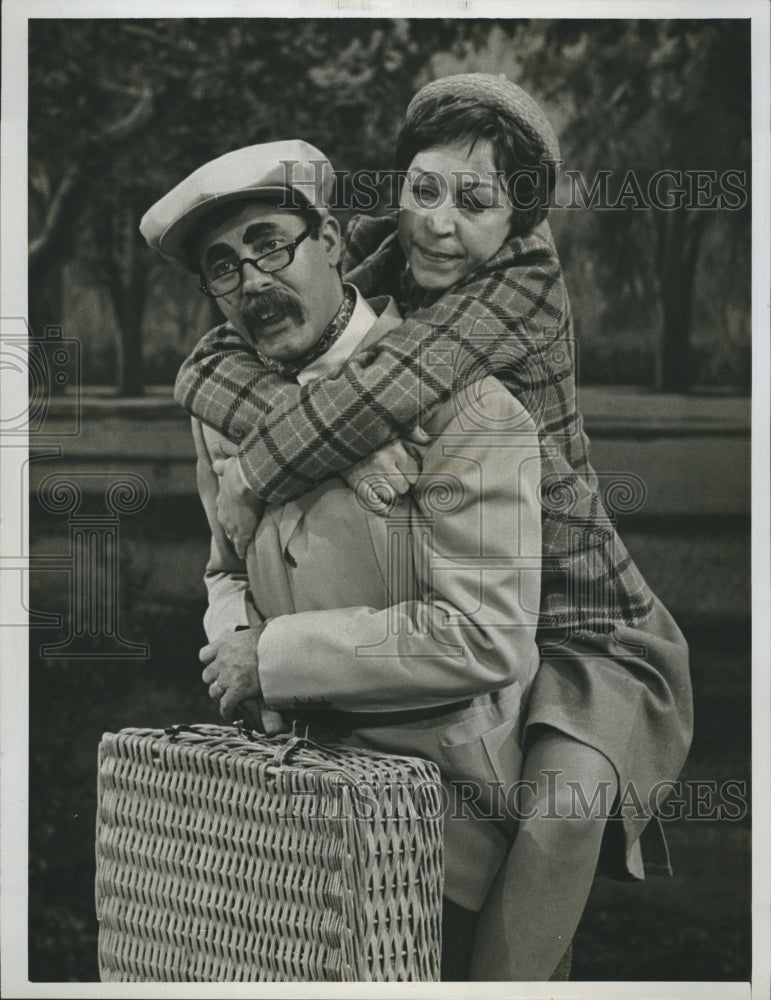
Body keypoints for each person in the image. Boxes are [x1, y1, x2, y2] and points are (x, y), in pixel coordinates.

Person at [164, 75, 693, 982]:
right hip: (373, 742)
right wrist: (266, 431)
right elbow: (225, 353)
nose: (441, 223)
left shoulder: (517, 293)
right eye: (422, 190)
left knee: (559, 815)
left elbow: (376, 389)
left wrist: (264, 462)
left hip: (590, 622)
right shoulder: (367, 253)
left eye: (476, 201)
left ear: (518, 217)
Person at [141, 139, 547, 979]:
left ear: (329, 239)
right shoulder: (223, 407)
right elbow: (223, 563)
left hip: (439, 837)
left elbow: (487, 635)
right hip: (286, 822)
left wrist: (276, 657)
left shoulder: (464, 401)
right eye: (223, 267)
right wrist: (233, 636)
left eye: (269, 244)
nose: (251, 281)